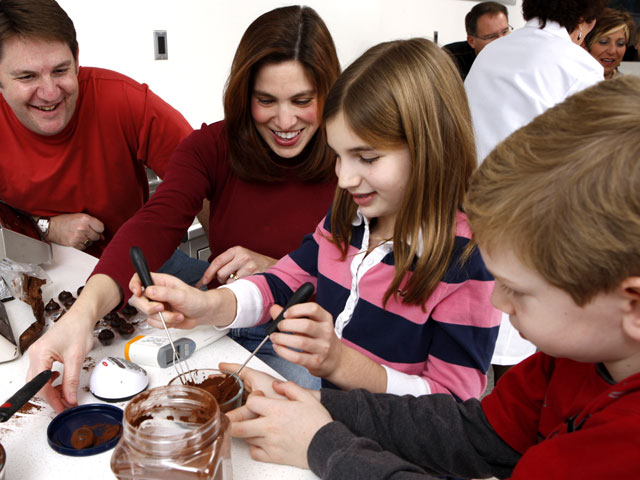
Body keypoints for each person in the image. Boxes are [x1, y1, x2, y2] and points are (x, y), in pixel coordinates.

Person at [225, 75, 640, 480]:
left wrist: (322, 444)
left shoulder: (615, 450)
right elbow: (472, 432)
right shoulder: (565, 364)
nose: (499, 303)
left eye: (519, 290)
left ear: (633, 307)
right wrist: (311, 407)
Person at [132, 38, 500, 401]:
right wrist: (207, 305)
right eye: (338, 156)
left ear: (430, 148)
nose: (344, 178)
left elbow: (451, 405)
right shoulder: (347, 219)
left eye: (367, 158)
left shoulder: (467, 260)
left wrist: (339, 363)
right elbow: (281, 282)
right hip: (333, 424)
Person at [26, 5, 340, 412]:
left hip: (308, 332)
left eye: (302, 100)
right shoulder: (210, 147)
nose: (284, 120)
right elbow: (155, 224)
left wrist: (278, 269)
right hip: (224, 315)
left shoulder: (351, 160)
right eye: (266, 100)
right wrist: (82, 316)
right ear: (244, 95)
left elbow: (376, 282)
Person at [465, 0, 607, 379]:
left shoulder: (490, 54)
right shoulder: (580, 66)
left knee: (484, 326)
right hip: (534, 219)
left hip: (471, 210)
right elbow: (586, 161)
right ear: (586, 21)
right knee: (523, 340)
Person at [0, 0, 193, 257]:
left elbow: (206, 175)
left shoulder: (123, 99)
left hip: (136, 264)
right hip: (28, 270)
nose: (49, 93)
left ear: (77, 58)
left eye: (60, 70)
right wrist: (46, 226)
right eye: (27, 77)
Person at [443, 2, 511, 80]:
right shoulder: (450, 58)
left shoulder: (520, 54)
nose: (501, 40)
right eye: (491, 36)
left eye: (505, 32)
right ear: (471, 41)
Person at [585, 8, 636, 80]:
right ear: (585, 44)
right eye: (604, 42)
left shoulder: (631, 88)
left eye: (620, 44)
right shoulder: (570, 84)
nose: (612, 51)